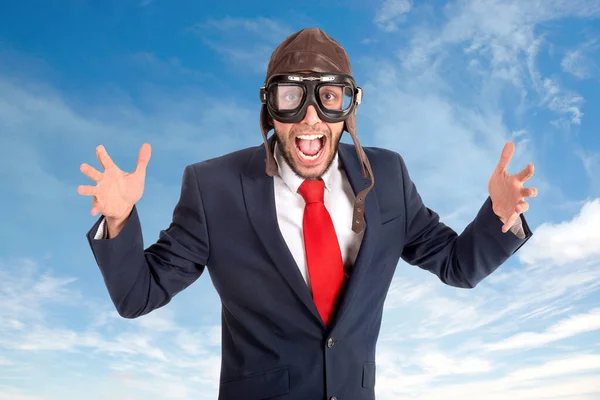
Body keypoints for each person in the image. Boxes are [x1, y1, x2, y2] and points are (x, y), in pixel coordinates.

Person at [78, 28, 536, 400]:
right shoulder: (213, 187)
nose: (311, 118)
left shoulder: (388, 176)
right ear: (269, 107)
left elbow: (458, 266)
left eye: (329, 97)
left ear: (349, 106)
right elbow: (139, 295)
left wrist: (499, 214)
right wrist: (118, 220)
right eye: (291, 98)